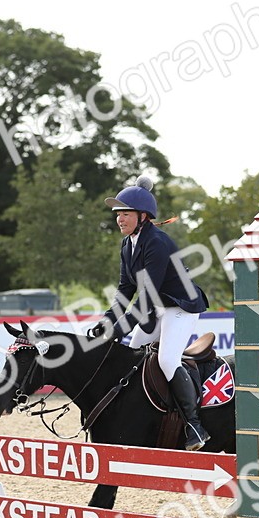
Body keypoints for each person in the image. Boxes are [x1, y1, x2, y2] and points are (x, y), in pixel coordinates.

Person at [89, 176, 211, 451]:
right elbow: (125, 288)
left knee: (167, 360)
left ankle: (194, 425)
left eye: (126, 214)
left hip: (180, 307)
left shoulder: (156, 242)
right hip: (157, 308)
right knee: (131, 356)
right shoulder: (127, 244)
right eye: (118, 214)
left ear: (142, 216)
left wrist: (119, 329)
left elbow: (148, 295)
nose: (120, 219)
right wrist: (108, 320)